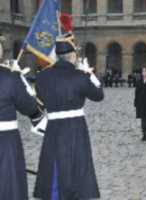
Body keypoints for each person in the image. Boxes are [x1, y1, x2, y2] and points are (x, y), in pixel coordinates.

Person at [33, 35, 104, 200]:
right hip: (75, 127)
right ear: (72, 56)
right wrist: (90, 74)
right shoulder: (80, 76)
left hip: (54, 127)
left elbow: (40, 101)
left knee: (55, 162)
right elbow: (99, 95)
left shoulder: (42, 77)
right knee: (77, 163)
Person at [0, 60, 41, 200]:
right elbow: (30, 107)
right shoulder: (10, 78)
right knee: (9, 185)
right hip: (6, 141)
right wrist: (19, 78)